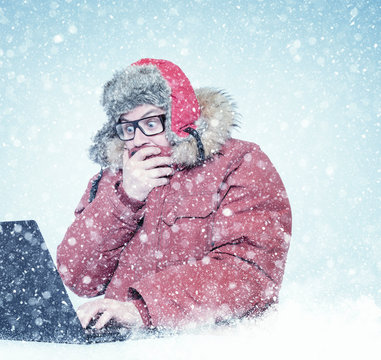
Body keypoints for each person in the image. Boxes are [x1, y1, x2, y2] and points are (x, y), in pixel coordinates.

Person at [56, 58, 292, 331]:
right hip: (119, 349)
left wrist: (141, 310)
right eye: (128, 127)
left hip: (209, 346)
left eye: (151, 123)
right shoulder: (113, 179)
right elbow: (78, 276)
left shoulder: (240, 163)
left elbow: (249, 273)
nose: (138, 139)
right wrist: (126, 199)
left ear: (177, 118)